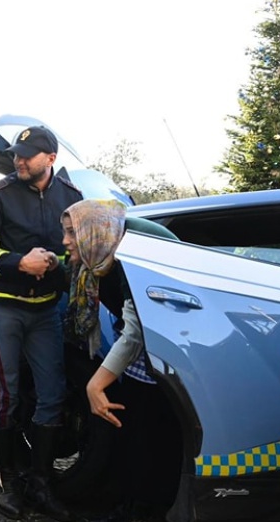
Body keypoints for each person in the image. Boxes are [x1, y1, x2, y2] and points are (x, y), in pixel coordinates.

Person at [0, 125, 82, 521]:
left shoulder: (72, 199)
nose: (18, 160)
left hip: (47, 308)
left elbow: (78, 253)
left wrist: (56, 263)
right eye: (16, 153)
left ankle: (40, 480)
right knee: (6, 394)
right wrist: (20, 262)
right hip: (4, 307)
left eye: (27, 155)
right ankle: (6, 481)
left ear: (50, 158)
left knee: (52, 394)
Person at [61, 202, 181, 522]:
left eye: (73, 232)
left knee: (150, 437)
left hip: (169, 356)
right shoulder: (108, 246)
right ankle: (131, 506)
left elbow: (135, 331)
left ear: (94, 230)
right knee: (135, 431)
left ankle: (145, 511)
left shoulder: (132, 254)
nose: (66, 241)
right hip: (151, 353)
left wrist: (96, 383)